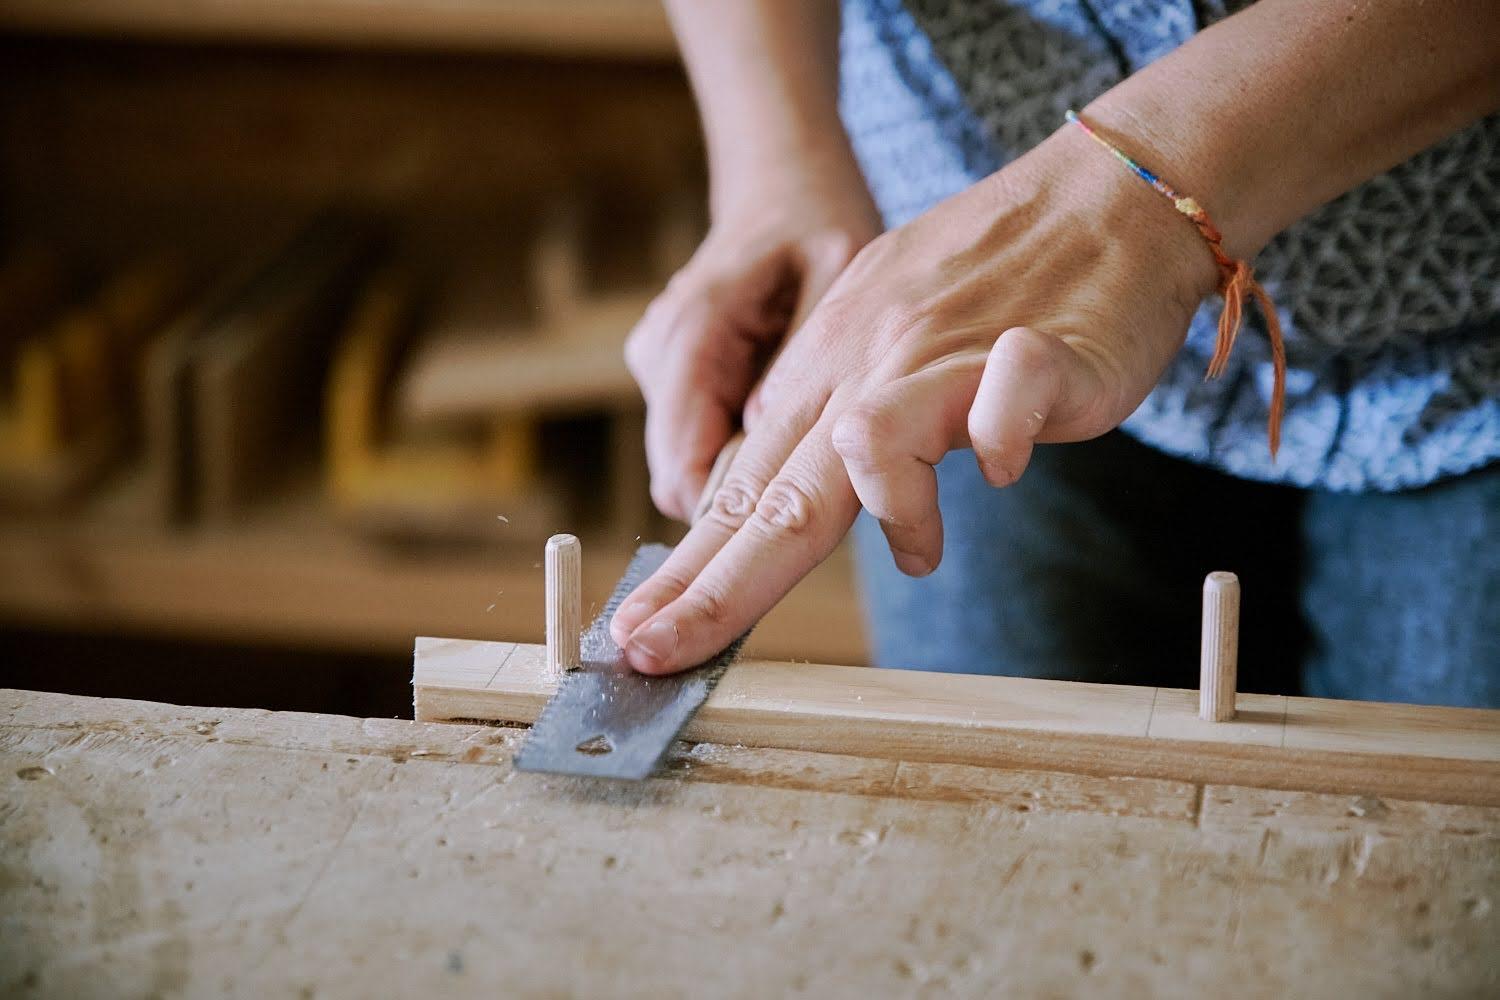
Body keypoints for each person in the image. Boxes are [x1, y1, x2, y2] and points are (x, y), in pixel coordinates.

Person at [611, 0, 1500, 707]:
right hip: (964, 321)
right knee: (987, 878)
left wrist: (1132, 199)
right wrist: (777, 162)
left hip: (1468, 336)